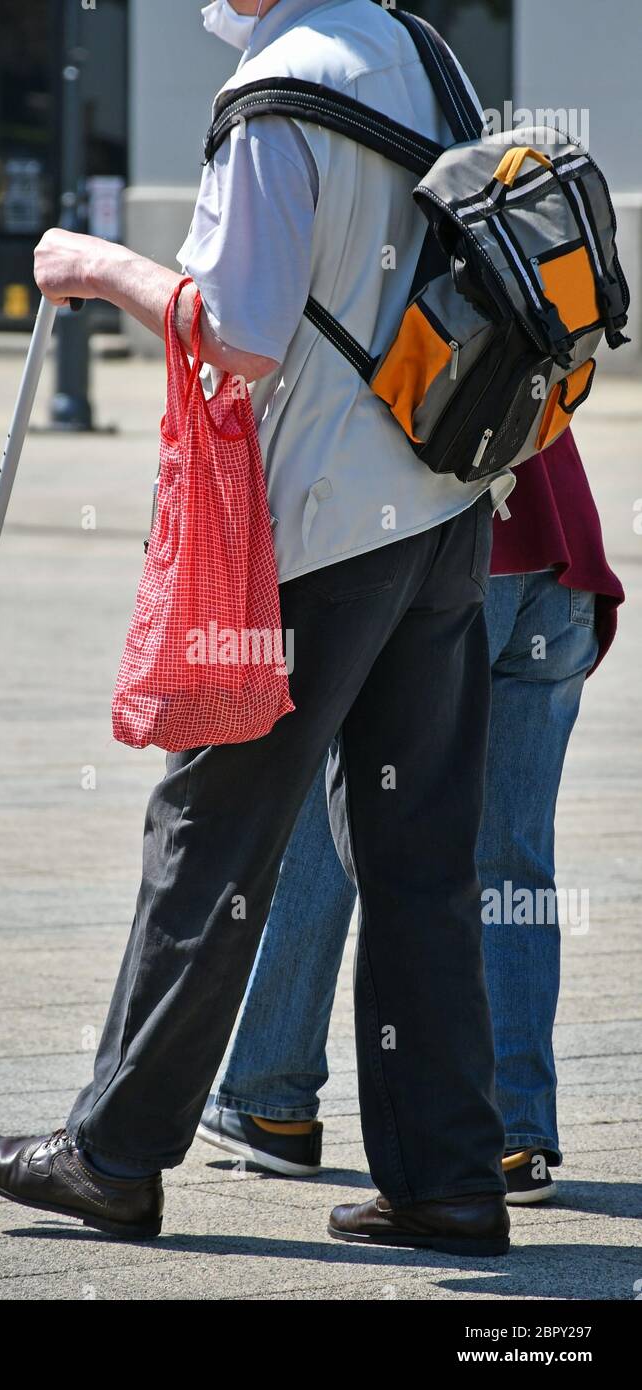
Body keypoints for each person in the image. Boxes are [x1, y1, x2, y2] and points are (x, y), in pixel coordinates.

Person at [0, 0, 519, 1255]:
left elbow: (241, 335)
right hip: (445, 506)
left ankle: (113, 1156)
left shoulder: (271, 96)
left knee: (208, 833)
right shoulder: (416, 46)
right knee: (421, 857)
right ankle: (449, 1180)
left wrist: (96, 267)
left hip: (318, 526)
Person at [197, 428, 624, 1204]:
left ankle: (270, 1098)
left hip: (441, 556)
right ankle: (512, 1135)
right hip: (562, 560)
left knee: (329, 821)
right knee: (511, 861)